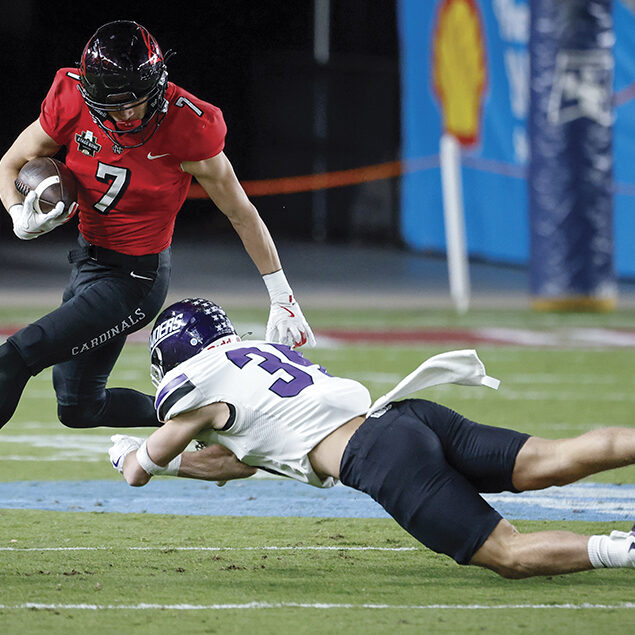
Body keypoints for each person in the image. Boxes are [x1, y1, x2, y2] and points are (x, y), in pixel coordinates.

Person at [108, 298, 635, 579]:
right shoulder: (255, 361)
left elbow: (138, 471)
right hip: (406, 416)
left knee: (508, 555)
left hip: (381, 456)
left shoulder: (202, 387)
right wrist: (177, 465)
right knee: (554, 458)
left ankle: (623, 550)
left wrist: (132, 455)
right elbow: (240, 462)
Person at [0, 21, 314, 431]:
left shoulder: (187, 126)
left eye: (138, 101)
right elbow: (10, 162)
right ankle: (216, 419)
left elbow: (241, 211)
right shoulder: (71, 99)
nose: (129, 114)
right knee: (78, 407)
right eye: (116, 104)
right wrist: (17, 214)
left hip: (135, 278)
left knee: (17, 356)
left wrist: (282, 295)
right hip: (87, 261)